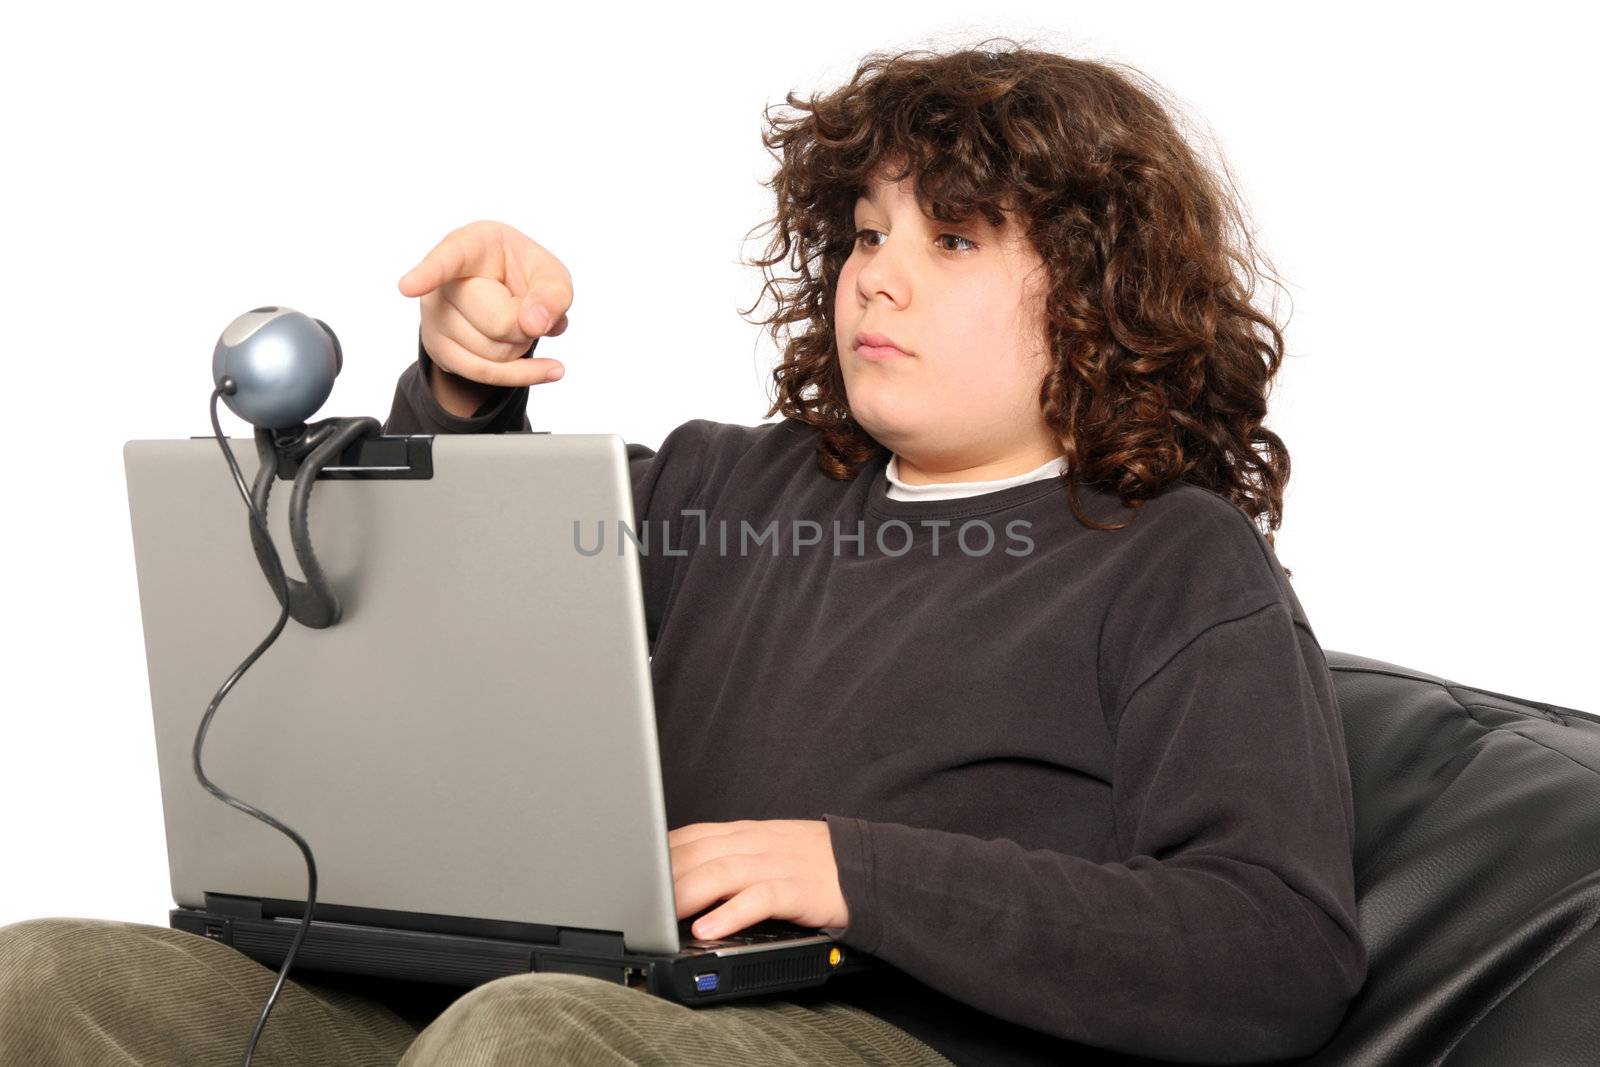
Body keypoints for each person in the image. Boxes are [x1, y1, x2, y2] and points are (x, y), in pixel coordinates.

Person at [0, 39, 1366, 1066]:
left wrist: (852, 874)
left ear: (1105, 297)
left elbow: (1277, 945)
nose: (877, 277)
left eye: (951, 240)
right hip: (575, 1002)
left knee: (532, 1042)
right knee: (47, 983)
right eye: (870, 235)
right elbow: (470, 589)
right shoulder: (728, 481)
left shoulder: (1178, 566)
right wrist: (468, 393)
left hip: (879, 1037)